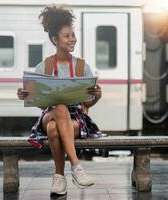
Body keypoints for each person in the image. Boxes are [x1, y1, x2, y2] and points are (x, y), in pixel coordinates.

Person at [17, 5, 104, 195]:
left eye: (73, 35)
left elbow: (87, 104)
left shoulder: (82, 66)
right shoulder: (44, 66)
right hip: (49, 113)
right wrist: (27, 95)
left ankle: (59, 178)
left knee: (53, 129)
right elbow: (40, 103)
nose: (72, 39)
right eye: (67, 36)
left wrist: (96, 96)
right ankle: (76, 166)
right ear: (55, 39)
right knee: (59, 108)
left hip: (76, 119)